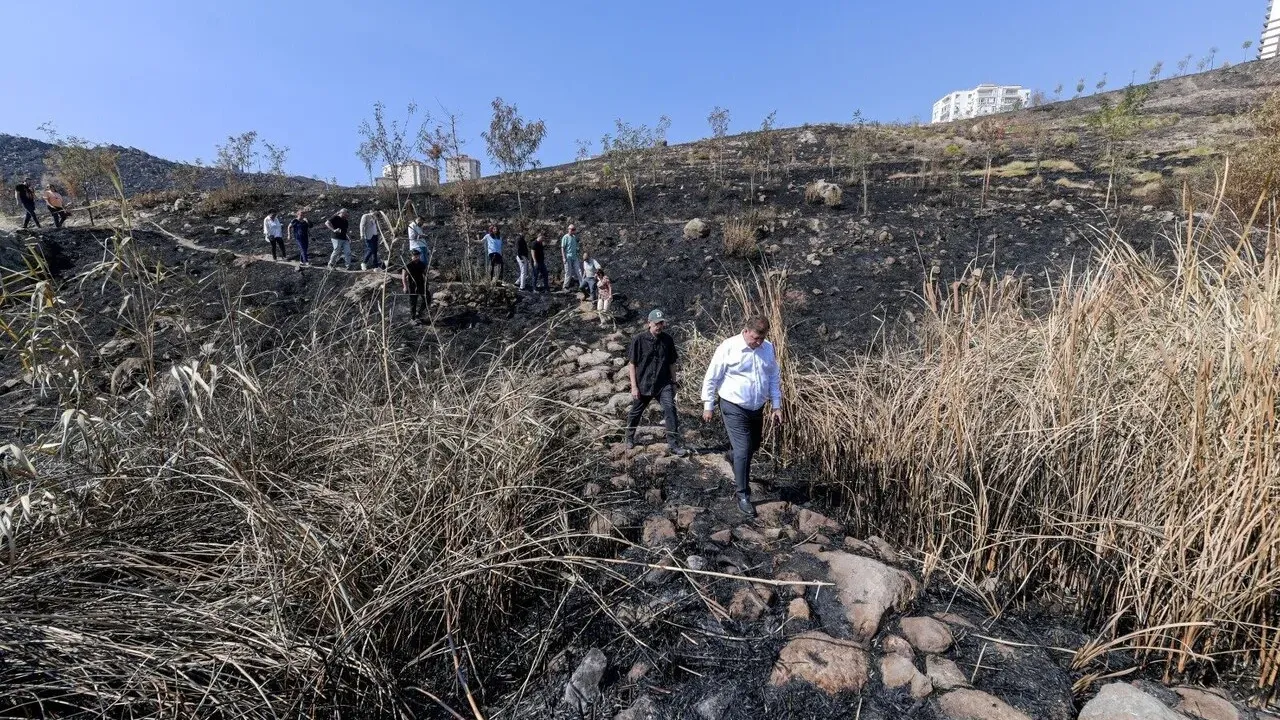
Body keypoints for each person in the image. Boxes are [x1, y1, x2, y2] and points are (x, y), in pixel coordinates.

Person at [700, 316, 784, 518]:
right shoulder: (728, 347)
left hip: (757, 407)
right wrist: (708, 405)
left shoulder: (767, 349)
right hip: (733, 405)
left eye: (762, 339)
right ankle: (743, 495)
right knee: (744, 449)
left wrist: (776, 405)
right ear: (746, 331)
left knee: (753, 445)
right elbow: (712, 377)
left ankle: (732, 457)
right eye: (755, 338)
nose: (758, 342)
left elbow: (773, 376)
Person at [625, 309, 688, 456]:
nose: (659, 326)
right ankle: (628, 437)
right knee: (636, 411)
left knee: (670, 410)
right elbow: (632, 364)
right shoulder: (638, 340)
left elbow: (672, 363)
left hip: (663, 383)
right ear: (649, 323)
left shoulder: (668, 340)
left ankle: (673, 444)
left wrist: (674, 383)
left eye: (661, 323)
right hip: (644, 383)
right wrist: (634, 387)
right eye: (656, 324)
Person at [403, 248, 429, 323]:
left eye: (417, 256)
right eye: (414, 256)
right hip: (412, 285)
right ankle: (412, 318)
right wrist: (405, 286)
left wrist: (427, 282)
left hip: (421, 284)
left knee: (427, 298)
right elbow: (403, 276)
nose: (416, 258)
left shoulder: (422, 264)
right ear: (411, 257)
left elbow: (425, 273)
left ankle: (419, 313)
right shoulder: (408, 265)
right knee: (413, 302)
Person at [560, 223, 582, 290]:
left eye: (574, 229)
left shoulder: (574, 237)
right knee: (568, 272)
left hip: (575, 257)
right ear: (568, 230)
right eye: (572, 229)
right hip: (568, 257)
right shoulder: (565, 237)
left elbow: (576, 247)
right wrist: (564, 257)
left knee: (579, 271)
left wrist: (578, 250)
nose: (573, 231)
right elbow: (562, 248)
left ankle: (582, 285)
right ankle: (565, 286)